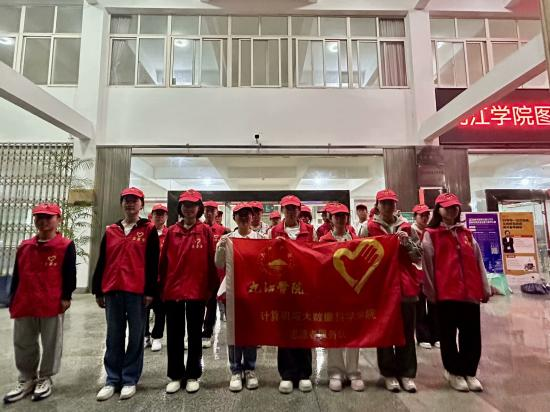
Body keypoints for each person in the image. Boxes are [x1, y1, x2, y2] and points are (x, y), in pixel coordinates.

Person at [3, 203, 76, 404]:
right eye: (39, 217)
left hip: (51, 302)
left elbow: (69, 273)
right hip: (25, 301)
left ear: (58, 220)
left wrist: (66, 296)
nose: (43, 221)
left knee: (51, 342)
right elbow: (17, 275)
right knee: (23, 342)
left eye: (48, 217)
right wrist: (12, 298)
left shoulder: (65, 245)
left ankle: (45, 377)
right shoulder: (25, 246)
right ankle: (26, 378)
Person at [93, 187, 159, 401]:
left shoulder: (149, 230)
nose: (130, 204)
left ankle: (130, 378)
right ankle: (112, 379)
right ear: (121, 204)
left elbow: (153, 263)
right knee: (114, 335)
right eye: (126, 200)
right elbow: (102, 260)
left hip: (137, 291)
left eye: (134, 200)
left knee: (136, 336)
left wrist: (150, 291)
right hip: (112, 290)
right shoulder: (111, 230)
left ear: (141, 204)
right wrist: (98, 289)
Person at [422, 193, 491, 393]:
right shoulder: (431, 234)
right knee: (448, 336)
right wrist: (431, 293)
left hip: (470, 293)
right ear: (438, 210)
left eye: (455, 207)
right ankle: (453, 372)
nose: (452, 210)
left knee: (472, 335)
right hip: (447, 294)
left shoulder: (466, 233)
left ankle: (469, 371)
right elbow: (427, 265)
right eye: (447, 207)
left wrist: (484, 287)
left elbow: (478, 261)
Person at [159, 189, 217, 394]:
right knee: (174, 334)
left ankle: (193, 374)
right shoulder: (171, 231)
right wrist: (161, 287)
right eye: (185, 205)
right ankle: (175, 375)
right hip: (173, 289)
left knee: (194, 334)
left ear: (199, 208)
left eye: (193, 205)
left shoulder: (205, 231)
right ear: (180, 208)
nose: (189, 209)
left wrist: (211, 288)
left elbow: (211, 261)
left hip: (197, 290)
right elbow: (163, 262)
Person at [368, 189, 422, 393]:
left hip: (405, 286)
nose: (388, 207)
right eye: (384, 203)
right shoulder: (368, 227)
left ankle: (407, 373)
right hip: (381, 287)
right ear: (377, 205)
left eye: (391, 203)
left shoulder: (407, 227)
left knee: (407, 331)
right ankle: (388, 373)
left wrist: (407, 244)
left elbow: (418, 256)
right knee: (384, 331)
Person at [215, 203, 263, 392]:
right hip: (232, 291)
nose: (244, 218)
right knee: (233, 330)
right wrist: (220, 248)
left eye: (247, 215)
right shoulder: (227, 239)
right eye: (239, 215)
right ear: (234, 218)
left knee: (251, 331)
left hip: (253, 292)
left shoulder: (260, 239)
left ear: (252, 217)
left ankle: (250, 369)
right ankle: (235, 370)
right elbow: (219, 264)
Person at [269, 195, 315, 394]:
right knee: (285, 329)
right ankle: (287, 374)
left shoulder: (310, 231)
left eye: (294, 208)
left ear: (299, 210)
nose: (290, 212)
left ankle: (304, 373)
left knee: (304, 329)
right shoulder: (274, 231)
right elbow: (268, 257)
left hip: (304, 286)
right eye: (287, 208)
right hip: (283, 286)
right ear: (282, 210)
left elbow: (317, 255)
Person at [319, 203, 364, 392]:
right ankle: (335, 372)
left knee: (354, 333)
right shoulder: (323, 240)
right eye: (336, 216)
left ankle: (354, 372)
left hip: (352, 293)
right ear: (330, 219)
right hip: (332, 293)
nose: (340, 219)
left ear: (347, 218)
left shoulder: (355, 239)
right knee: (334, 332)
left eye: (343, 216)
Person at [411, 204, 440, 351]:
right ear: (414, 216)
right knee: (420, 307)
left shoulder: (431, 231)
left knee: (434, 305)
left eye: (426, 215)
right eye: (421, 215)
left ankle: (436, 335)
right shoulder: (410, 231)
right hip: (417, 274)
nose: (424, 218)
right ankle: (423, 336)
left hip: (432, 273)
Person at [201, 200, 227, 349]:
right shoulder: (199, 228)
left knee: (218, 305)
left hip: (219, 274)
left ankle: (209, 332)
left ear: (217, 212)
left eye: (212, 210)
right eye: (207, 210)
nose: (209, 213)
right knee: (203, 304)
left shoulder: (224, 231)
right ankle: (201, 333)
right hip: (203, 274)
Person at [144, 203, 169, 352]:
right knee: (144, 309)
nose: (159, 217)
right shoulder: (145, 233)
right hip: (146, 278)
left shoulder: (170, 234)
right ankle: (145, 335)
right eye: (156, 214)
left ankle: (157, 337)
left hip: (162, 279)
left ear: (166, 217)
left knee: (160, 310)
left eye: (162, 214)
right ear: (151, 216)